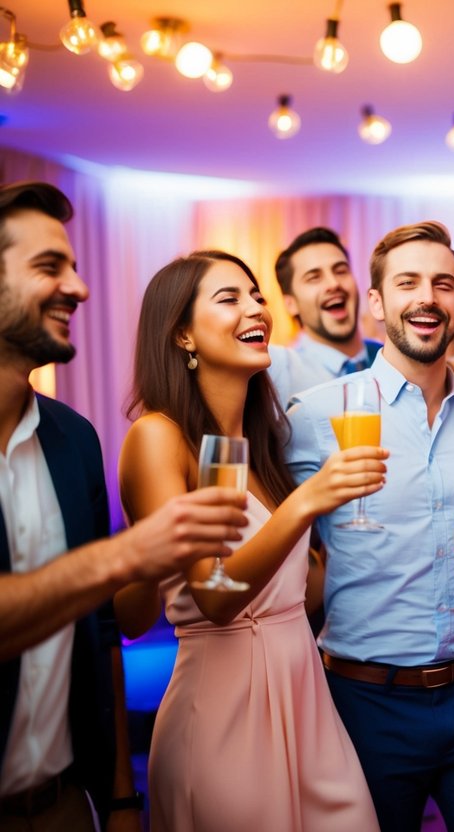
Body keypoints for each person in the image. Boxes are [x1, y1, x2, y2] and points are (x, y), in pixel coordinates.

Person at [0, 181, 247, 829]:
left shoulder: (73, 439)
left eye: (76, 268)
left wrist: (116, 795)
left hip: (63, 804)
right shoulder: (151, 437)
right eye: (49, 267)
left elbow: (105, 634)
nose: (79, 289)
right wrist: (129, 552)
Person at [286, 221, 454, 832]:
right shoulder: (317, 417)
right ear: (376, 303)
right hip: (363, 703)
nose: (427, 297)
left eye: (443, 284)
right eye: (408, 283)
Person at [112, 250, 383, 830]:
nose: (255, 307)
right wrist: (309, 502)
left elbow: (299, 597)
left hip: (308, 700)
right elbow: (214, 593)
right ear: (182, 334)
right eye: (229, 297)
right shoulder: (157, 437)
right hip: (222, 712)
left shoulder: (266, 446)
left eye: (256, 295)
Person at [268, 226, 454, 410]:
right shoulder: (278, 368)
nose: (333, 284)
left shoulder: (385, 354)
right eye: (313, 277)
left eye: (340, 270)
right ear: (290, 303)